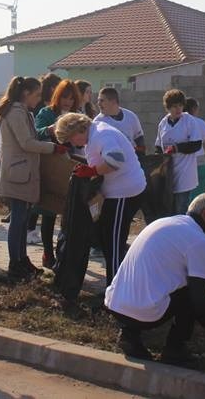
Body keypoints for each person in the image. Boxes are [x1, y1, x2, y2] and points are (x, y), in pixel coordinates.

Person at [105, 192, 205, 367]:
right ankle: (175, 349)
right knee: (191, 293)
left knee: (182, 286)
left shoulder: (165, 222)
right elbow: (201, 298)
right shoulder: (199, 240)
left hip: (116, 304)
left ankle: (129, 336)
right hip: (143, 314)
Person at [56, 112, 147, 284]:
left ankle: (115, 290)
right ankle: (117, 286)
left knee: (113, 242)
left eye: (71, 139)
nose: (72, 143)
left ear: (78, 130)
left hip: (124, 192)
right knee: (107, 239)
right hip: (117, 191)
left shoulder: (102, 134)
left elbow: (116, 160)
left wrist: (93, 171)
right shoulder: (93, 134)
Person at [0, 76, 67, 281]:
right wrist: (53, 148)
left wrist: (46, 132)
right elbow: (27, 142)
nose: (38, 99)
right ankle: (15, 264)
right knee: (18, 220)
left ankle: (22, 259)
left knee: (23, 218)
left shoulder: (21, 111)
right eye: (36, 95)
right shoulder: (16, 112)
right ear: (26, 94)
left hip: (22, 171)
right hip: (18, 172)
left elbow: (31, 135)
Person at [32, 79, 81, 266]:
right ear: (57, 97)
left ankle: (64, 252)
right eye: (64, 97)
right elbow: (35, 134)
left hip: (72, 165)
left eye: (71, 98)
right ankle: (47, 253)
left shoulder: (77, 115)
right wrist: (51, 130)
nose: (67, 102)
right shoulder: (46, 113)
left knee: (69, 212)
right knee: (48, 210)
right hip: (51, 165)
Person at [156, 89, 203, 215]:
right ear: (168, 107)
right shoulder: (163, 123)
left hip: (185, 172)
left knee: (181, 207)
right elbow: (158, 147)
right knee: (168, 208)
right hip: (169, 172)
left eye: (180, 106)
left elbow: (196, 144)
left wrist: (177, 148)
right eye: (174, 106)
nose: (178, 109)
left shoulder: (189, 121)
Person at [94, 87, 146, 155]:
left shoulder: (130, 116)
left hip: (130, 159)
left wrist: (140, 157)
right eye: (98, 100)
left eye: (102, 100)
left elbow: (139, 139)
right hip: (109, 162)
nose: (98, 103)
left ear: (113, 101)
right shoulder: (98, 122)